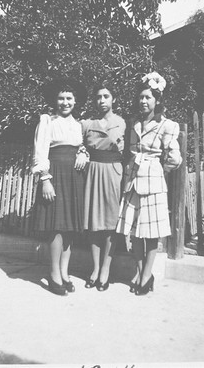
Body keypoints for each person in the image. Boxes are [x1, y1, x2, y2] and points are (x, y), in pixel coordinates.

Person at [116, 72, 182, 295]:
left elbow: (175, 157)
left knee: (151, 232)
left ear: (157, 101)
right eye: (141, 97)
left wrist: (160, 169)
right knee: (134, 231)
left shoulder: (167, 125)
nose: (143, 101)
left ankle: (146, 275)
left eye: (148, 98)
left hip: (153, 182)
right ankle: (139, 270)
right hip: (132, 181)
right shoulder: (134, 123)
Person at [31, 78, 89, 296]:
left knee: (70, 227)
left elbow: (83, 146)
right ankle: (54, 273)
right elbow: (40, 151)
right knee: (57, 226)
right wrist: (45, 178)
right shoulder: (47, 120)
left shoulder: (78, 125)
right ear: (55, 100)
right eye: (61, 98)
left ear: (75, 101)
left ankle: (65, 272)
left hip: (75, 178)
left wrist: (83, 153)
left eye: (69, 98)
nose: (65, 102)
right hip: (55, 175)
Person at [82, 83, 126, 291]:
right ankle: (95, 268)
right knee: (93, 220)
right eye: (98, 97)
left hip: (113, 171)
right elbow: (79, 145)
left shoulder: (122, 123)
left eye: (106, 96)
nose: (102, 100)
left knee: (110, 221)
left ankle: (106, 269)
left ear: (113, 99)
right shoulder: (87, 124)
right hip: (93, 171)